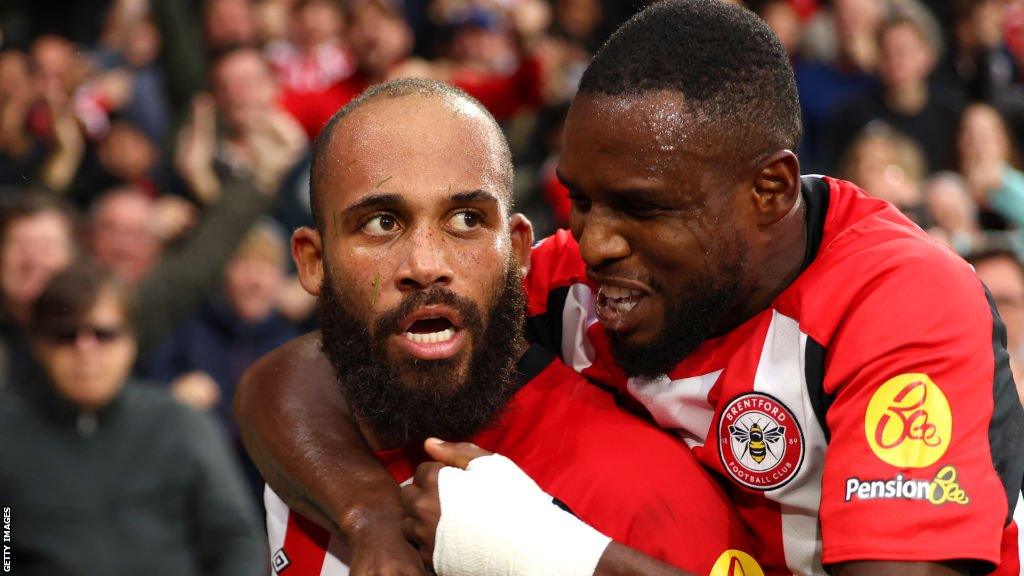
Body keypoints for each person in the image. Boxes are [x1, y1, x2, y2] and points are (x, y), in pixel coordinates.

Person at [235, 1, 1024, 575]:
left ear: (770, 191)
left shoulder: (902, 308)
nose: (596, 240)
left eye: (642, 208)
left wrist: (562, 558)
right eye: (582, 199)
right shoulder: (591, 276)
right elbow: (300, 373)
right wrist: (368, 518)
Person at [250, 77, 754, 576]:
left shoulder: (645, 493)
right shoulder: (305, 464)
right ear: (313, 262)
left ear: (517, 251)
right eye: (382, 222)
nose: (426, 265)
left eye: (467, 219)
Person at [0, 261, 266, 576]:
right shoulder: (8, 436)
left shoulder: (180, 425)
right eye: (66, 335)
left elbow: (238, 541)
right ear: (39, 346)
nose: (86, 350)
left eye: (104, 334)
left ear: (130, 342)